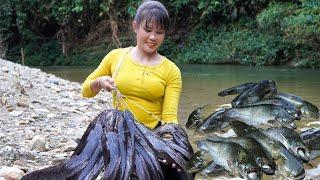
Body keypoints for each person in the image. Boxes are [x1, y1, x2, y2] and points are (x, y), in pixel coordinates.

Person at [81, 0, 186, 179]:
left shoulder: (171, 71)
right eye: (148, 30)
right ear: (135, 27)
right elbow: (86, 90)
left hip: (154, 135)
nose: (153, 37)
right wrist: (99, 82)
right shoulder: (116, 57)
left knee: (180, 171)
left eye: (159, 32)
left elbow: (169, 118)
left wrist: (171, 148)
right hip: (120, 135)